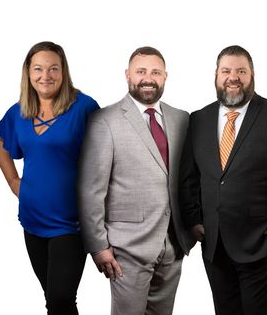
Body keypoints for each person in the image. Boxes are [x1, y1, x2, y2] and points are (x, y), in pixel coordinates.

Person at [179, 45, 267, 315]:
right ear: (216, 75)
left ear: (252, 75)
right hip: (215, 248)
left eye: (241, 71)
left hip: (263, 247)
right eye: (226, 70)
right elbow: (189, 178)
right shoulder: (199, 119)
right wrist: (194, 221)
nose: (233, 77)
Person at [78, 46, 194, 315]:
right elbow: (90, 190)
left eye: (155, 72)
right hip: (125, 248)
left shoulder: (182, 119)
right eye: (141, 71)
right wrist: (98, 246)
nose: (147, 78)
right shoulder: (104, 121)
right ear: (127, 75)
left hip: (173, 243)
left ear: (165, 76)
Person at [0, 41, 99, 315]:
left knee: (61, 298)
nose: (45, 76)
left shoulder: (84, 107)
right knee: (55, 301)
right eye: (38, 69)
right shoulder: (20, 112)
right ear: (28, 72)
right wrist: (13, 182)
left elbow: (108, 156)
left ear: (64, 72)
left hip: (71, 222)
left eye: (53, 68)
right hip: (32, 219)